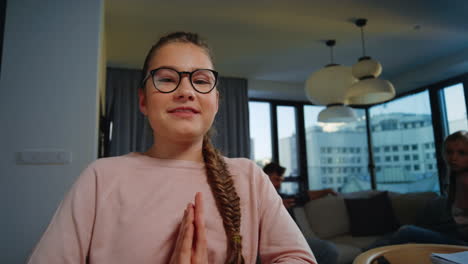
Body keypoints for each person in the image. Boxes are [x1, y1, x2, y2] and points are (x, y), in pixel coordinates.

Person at [26, 32, 317, 264]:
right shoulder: (100, 177)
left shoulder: (250, 177)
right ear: (143, 101)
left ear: (215, 101)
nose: (186, 91)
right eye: (166, 79)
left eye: (201, 80)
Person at [366, 130, 468, 249]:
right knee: (398, 232)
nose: (453, 157)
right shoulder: (455, 178)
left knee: (406, 231)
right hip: (452, 232)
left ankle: (366, 256)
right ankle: (366, 256)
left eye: (462, 153)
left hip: (462, 243)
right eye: (449, 152)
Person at [263, 162, 339, 264]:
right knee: (329, 250)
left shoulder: (284, 197)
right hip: (277, 242)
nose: (279, 184)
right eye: (276, 179)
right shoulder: (259, 200)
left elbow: (305, 196)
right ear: (265, 177)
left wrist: (326, 191)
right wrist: (276, 207)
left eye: (281, 180)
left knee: (329, 249)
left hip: (296, 239)